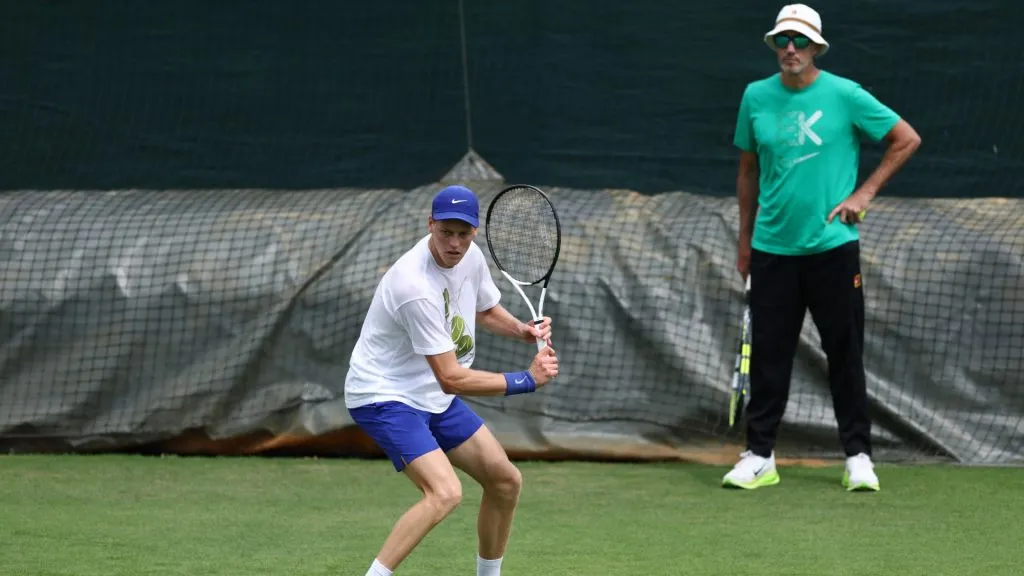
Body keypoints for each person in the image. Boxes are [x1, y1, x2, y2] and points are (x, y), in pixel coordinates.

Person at [723, 4, 921, 491]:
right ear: (774, 45)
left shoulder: (845, 94)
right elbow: (748, 172)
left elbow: (905, 139)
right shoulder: (755, 97)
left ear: (817, 48)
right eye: (782, 40)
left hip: (833, 249)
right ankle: (760, 457)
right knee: (769, 357)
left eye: (800, 41)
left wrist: (864, 193)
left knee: (845, 353)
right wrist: (745, 241)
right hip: (772, 251)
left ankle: (857, 457)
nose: (791, 48)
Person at [345, 184, 559, 575]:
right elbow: (450, 378)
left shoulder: (470, 257)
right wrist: (526, 380)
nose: (455, 243)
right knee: (444, 493)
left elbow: (485, 309)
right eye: (446, 232)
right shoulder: (414, 286)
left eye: (463, 233)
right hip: (385, 394)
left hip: (429, 394)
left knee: (505, 481)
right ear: (430, 225)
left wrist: (521, 330)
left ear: (474, 232)